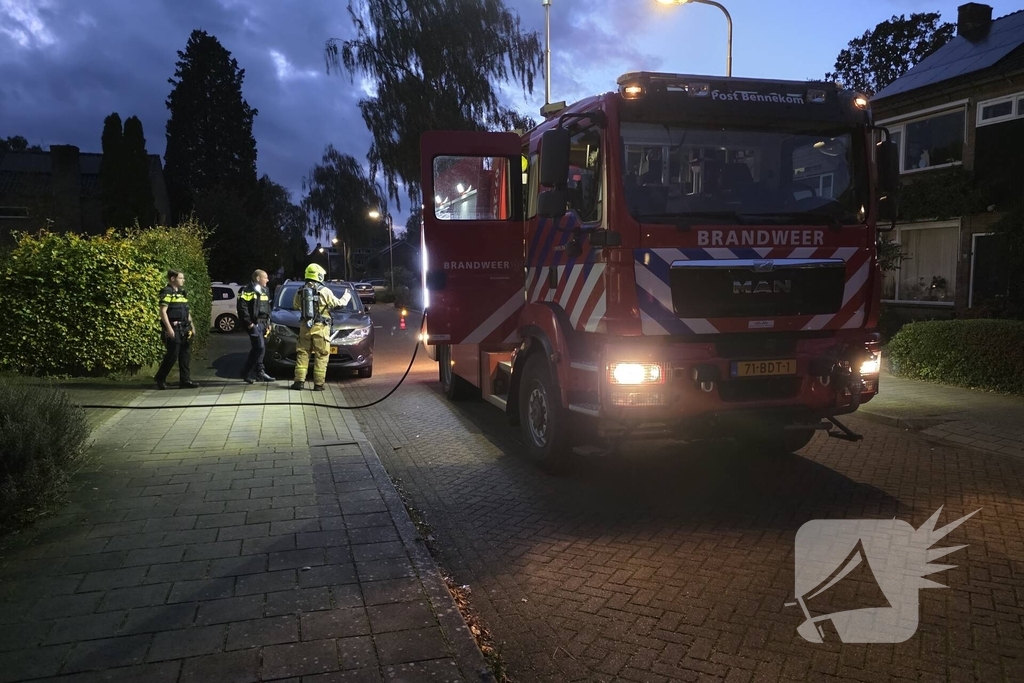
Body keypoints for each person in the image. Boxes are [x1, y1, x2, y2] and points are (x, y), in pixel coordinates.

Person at [291, 263, 351, 391]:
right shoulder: (325, 291)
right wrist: (347, 296)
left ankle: (299, 382)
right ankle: (318, 384)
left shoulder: (300, 290)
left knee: (303, 353)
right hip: (321, 328)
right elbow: (338, 304)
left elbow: (295, 306)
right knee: (321, 355)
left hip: (305, 327)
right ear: (319, 276)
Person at [155, 269, 199, 390]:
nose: (183, 280)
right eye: (180, 278)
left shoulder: (181, 293)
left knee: (185, 355)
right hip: (174, 328)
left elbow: (187, 311)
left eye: (183, 278)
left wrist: (192, 326)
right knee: (172, 355)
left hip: (184, 328)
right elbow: (163, 312)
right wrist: (169, 329)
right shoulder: (167, 292)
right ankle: (160, 378)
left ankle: (185, 380)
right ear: (172, 279)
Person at [237, 269, 275, 384]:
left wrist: (268, 323)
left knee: (260, 349)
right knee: (260, 347)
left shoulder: (265, 290)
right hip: (254, 323)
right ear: (258, 278)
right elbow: (242, 307)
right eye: (265, 277)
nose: (267, 280)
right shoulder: (246, 290)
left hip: (263, 323)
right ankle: (247, 372)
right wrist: (249, 323)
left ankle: (259, 372)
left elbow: (268, 308)